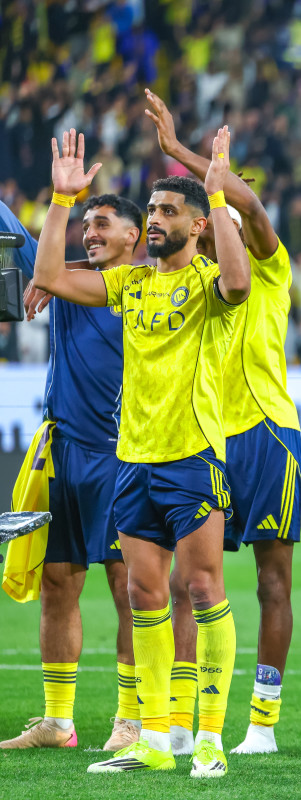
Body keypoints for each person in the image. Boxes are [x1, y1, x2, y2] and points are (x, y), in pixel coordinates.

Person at [31, 127, 250, 777]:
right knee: (145, 594)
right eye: (151, 210)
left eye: (167, 211)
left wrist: (217, 194)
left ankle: (207, 738)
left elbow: (240, 283)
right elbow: (48, 275)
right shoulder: (132, 285)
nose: (155, 219)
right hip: (133, 460)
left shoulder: (208, 284)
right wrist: (62, 201)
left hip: (192, 458)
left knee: (203, 588)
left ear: (197, 225)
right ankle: (152, 739)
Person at [144, 89, 301, 757]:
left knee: (271, 581)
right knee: (188, 582)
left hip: (265, 433)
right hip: (202, 438)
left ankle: (261, 723)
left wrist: (187, 155)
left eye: (227, 206)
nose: (222, 216)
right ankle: (182, 719)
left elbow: (254, 209)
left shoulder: (266, 266)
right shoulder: (190, 281)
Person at [0, 193, 143, 753]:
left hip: (121, 456)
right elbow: (17, 235)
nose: (90, 232)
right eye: (85, 224)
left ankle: (131, 719)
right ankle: (58, 722)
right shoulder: (59, 278)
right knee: (57, 583)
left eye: (102, 223)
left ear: (133, 236)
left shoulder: (148, 289)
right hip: (62, 454)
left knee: (129, 588)